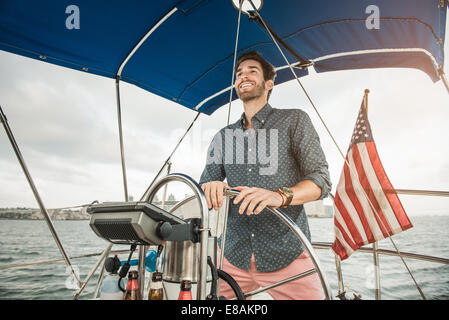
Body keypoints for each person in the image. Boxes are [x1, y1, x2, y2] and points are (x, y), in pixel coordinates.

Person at [199, 50, 331, 300]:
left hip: (286, 253)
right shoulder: (223, 136)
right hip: (231, 255)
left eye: (252, 71)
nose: (243, 76)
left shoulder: (295, 120)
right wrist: (211, 185)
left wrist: (278, 197)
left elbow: (320, 181)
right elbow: (206, 182)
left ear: (269, 83)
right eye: (239, 73)